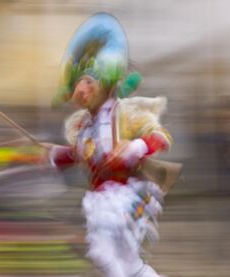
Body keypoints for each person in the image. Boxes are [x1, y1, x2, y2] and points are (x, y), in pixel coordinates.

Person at [45, 13, 172, 277]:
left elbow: (160, 139)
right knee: (129, 265)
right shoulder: (82, 125)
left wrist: (133, 148)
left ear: (105, 82)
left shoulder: (126, 113)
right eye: (78, 83)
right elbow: (80, 155)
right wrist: (54, 155)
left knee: (102, 253)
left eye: (88, 81)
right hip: (101, 200)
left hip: (126, 197)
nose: (81, 90)